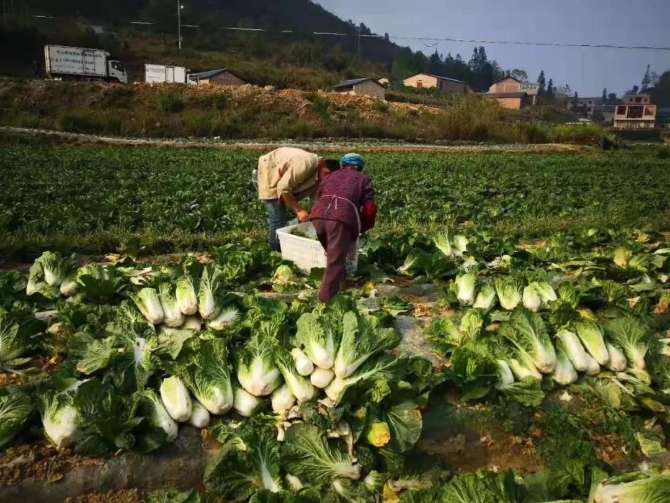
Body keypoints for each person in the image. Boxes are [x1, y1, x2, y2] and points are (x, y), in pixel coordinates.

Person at [310, 153, 377, 303]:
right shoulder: (363, 179)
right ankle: (325, 301)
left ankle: (341, 280)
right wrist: (363, 226)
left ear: (342, 164)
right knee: (335, 260)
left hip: (318, 216)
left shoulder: (329, 177)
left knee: (334, 253)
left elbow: (318, 196)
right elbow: (369, 208)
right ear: (359, 168)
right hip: (339, 218)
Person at [255, 147, 339, 251]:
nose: (327, 178)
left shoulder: (320, 176)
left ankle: (285, 243)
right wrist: (299, 210)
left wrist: (315, 216)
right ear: (322, 165)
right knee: (278, 218)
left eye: (330, 177)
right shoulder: (306, 164)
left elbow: (315, 200)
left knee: (284, 212)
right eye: (326, 173)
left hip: (284, 179)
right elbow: (283, 188)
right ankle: (275, 251)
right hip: (269, 169)